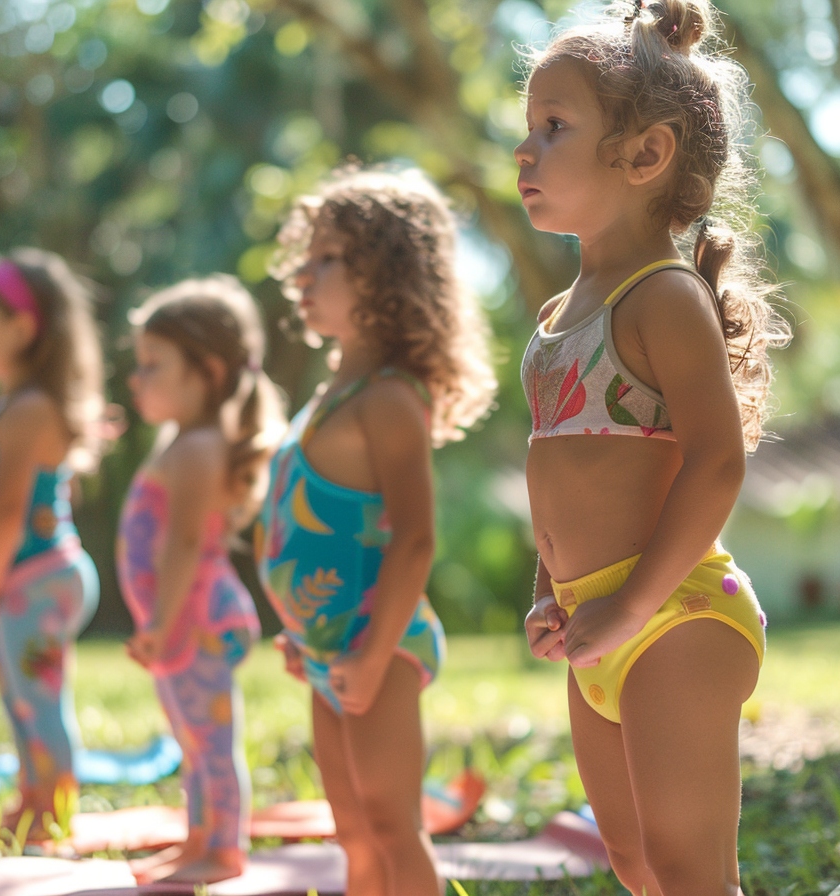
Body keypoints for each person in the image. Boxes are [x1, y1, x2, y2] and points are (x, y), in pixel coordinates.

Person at [516, 1, 791, 892]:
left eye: (554, 127)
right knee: (636, 864)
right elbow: (555, 481)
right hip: (595, 618)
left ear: (645, 155)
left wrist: (634, 607)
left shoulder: (661, 296)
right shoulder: (560, 317)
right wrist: (546, 594)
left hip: (674, 618)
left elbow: (717, 461)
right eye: (528, 127)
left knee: (690, 869)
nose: (526, 150)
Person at [258, 168, 497, 896]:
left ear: (383, 275)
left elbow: (415, 540)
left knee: (394, 828)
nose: (304, 272)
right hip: (330, 649)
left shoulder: (389, 398)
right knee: (353, 832)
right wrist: (308, 634)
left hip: (378, 646)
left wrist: (368, 651)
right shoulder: (334, 389)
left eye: (325, 257)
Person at [119, 275, 284, 884]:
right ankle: (198, 840)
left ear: (208, 372)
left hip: (198, 620)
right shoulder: (183, 441)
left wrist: (162, 623)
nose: (137, 380)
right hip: (188, 620)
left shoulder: (196, 448)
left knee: (211, 742)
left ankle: (225, 849)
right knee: (193, 741)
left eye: (152, 366)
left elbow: (184, 544)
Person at [0, 249, 104, 839]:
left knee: (37, 699)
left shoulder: (29, 410)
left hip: (34, 582)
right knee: (20, 697)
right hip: (29, 582)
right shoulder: (13, 402)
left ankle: (54, 810)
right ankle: (34, 794)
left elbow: (8, 512)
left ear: (23, 327)